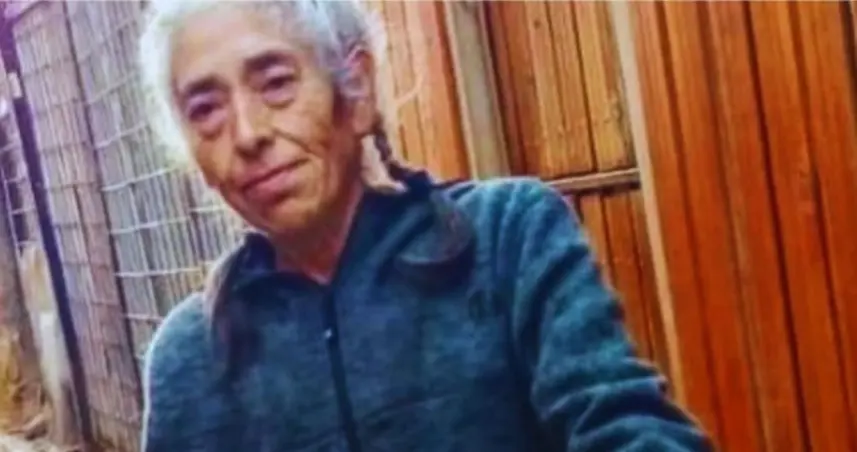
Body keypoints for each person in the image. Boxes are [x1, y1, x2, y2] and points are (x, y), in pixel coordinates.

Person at [138, 1, 712, 451]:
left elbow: (623, 423)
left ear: (355, 89)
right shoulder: (190, 359)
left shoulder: (506, 242)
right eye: (206, 109)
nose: (246, 134)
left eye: (276, 83)